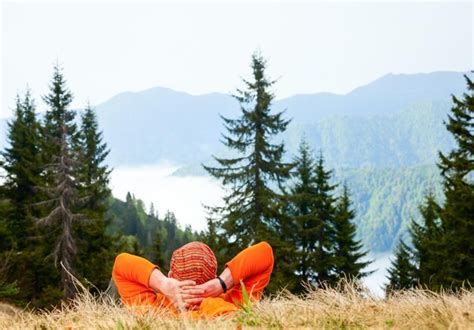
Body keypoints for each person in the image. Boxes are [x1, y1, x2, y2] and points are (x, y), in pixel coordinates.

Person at [112, 241, 274, 318]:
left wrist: (162, 284)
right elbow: (264, 252)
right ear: (212, 276)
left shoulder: (153, 310)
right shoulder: (234, 303)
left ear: (171, 276)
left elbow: (121, 263)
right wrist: (222, 283)